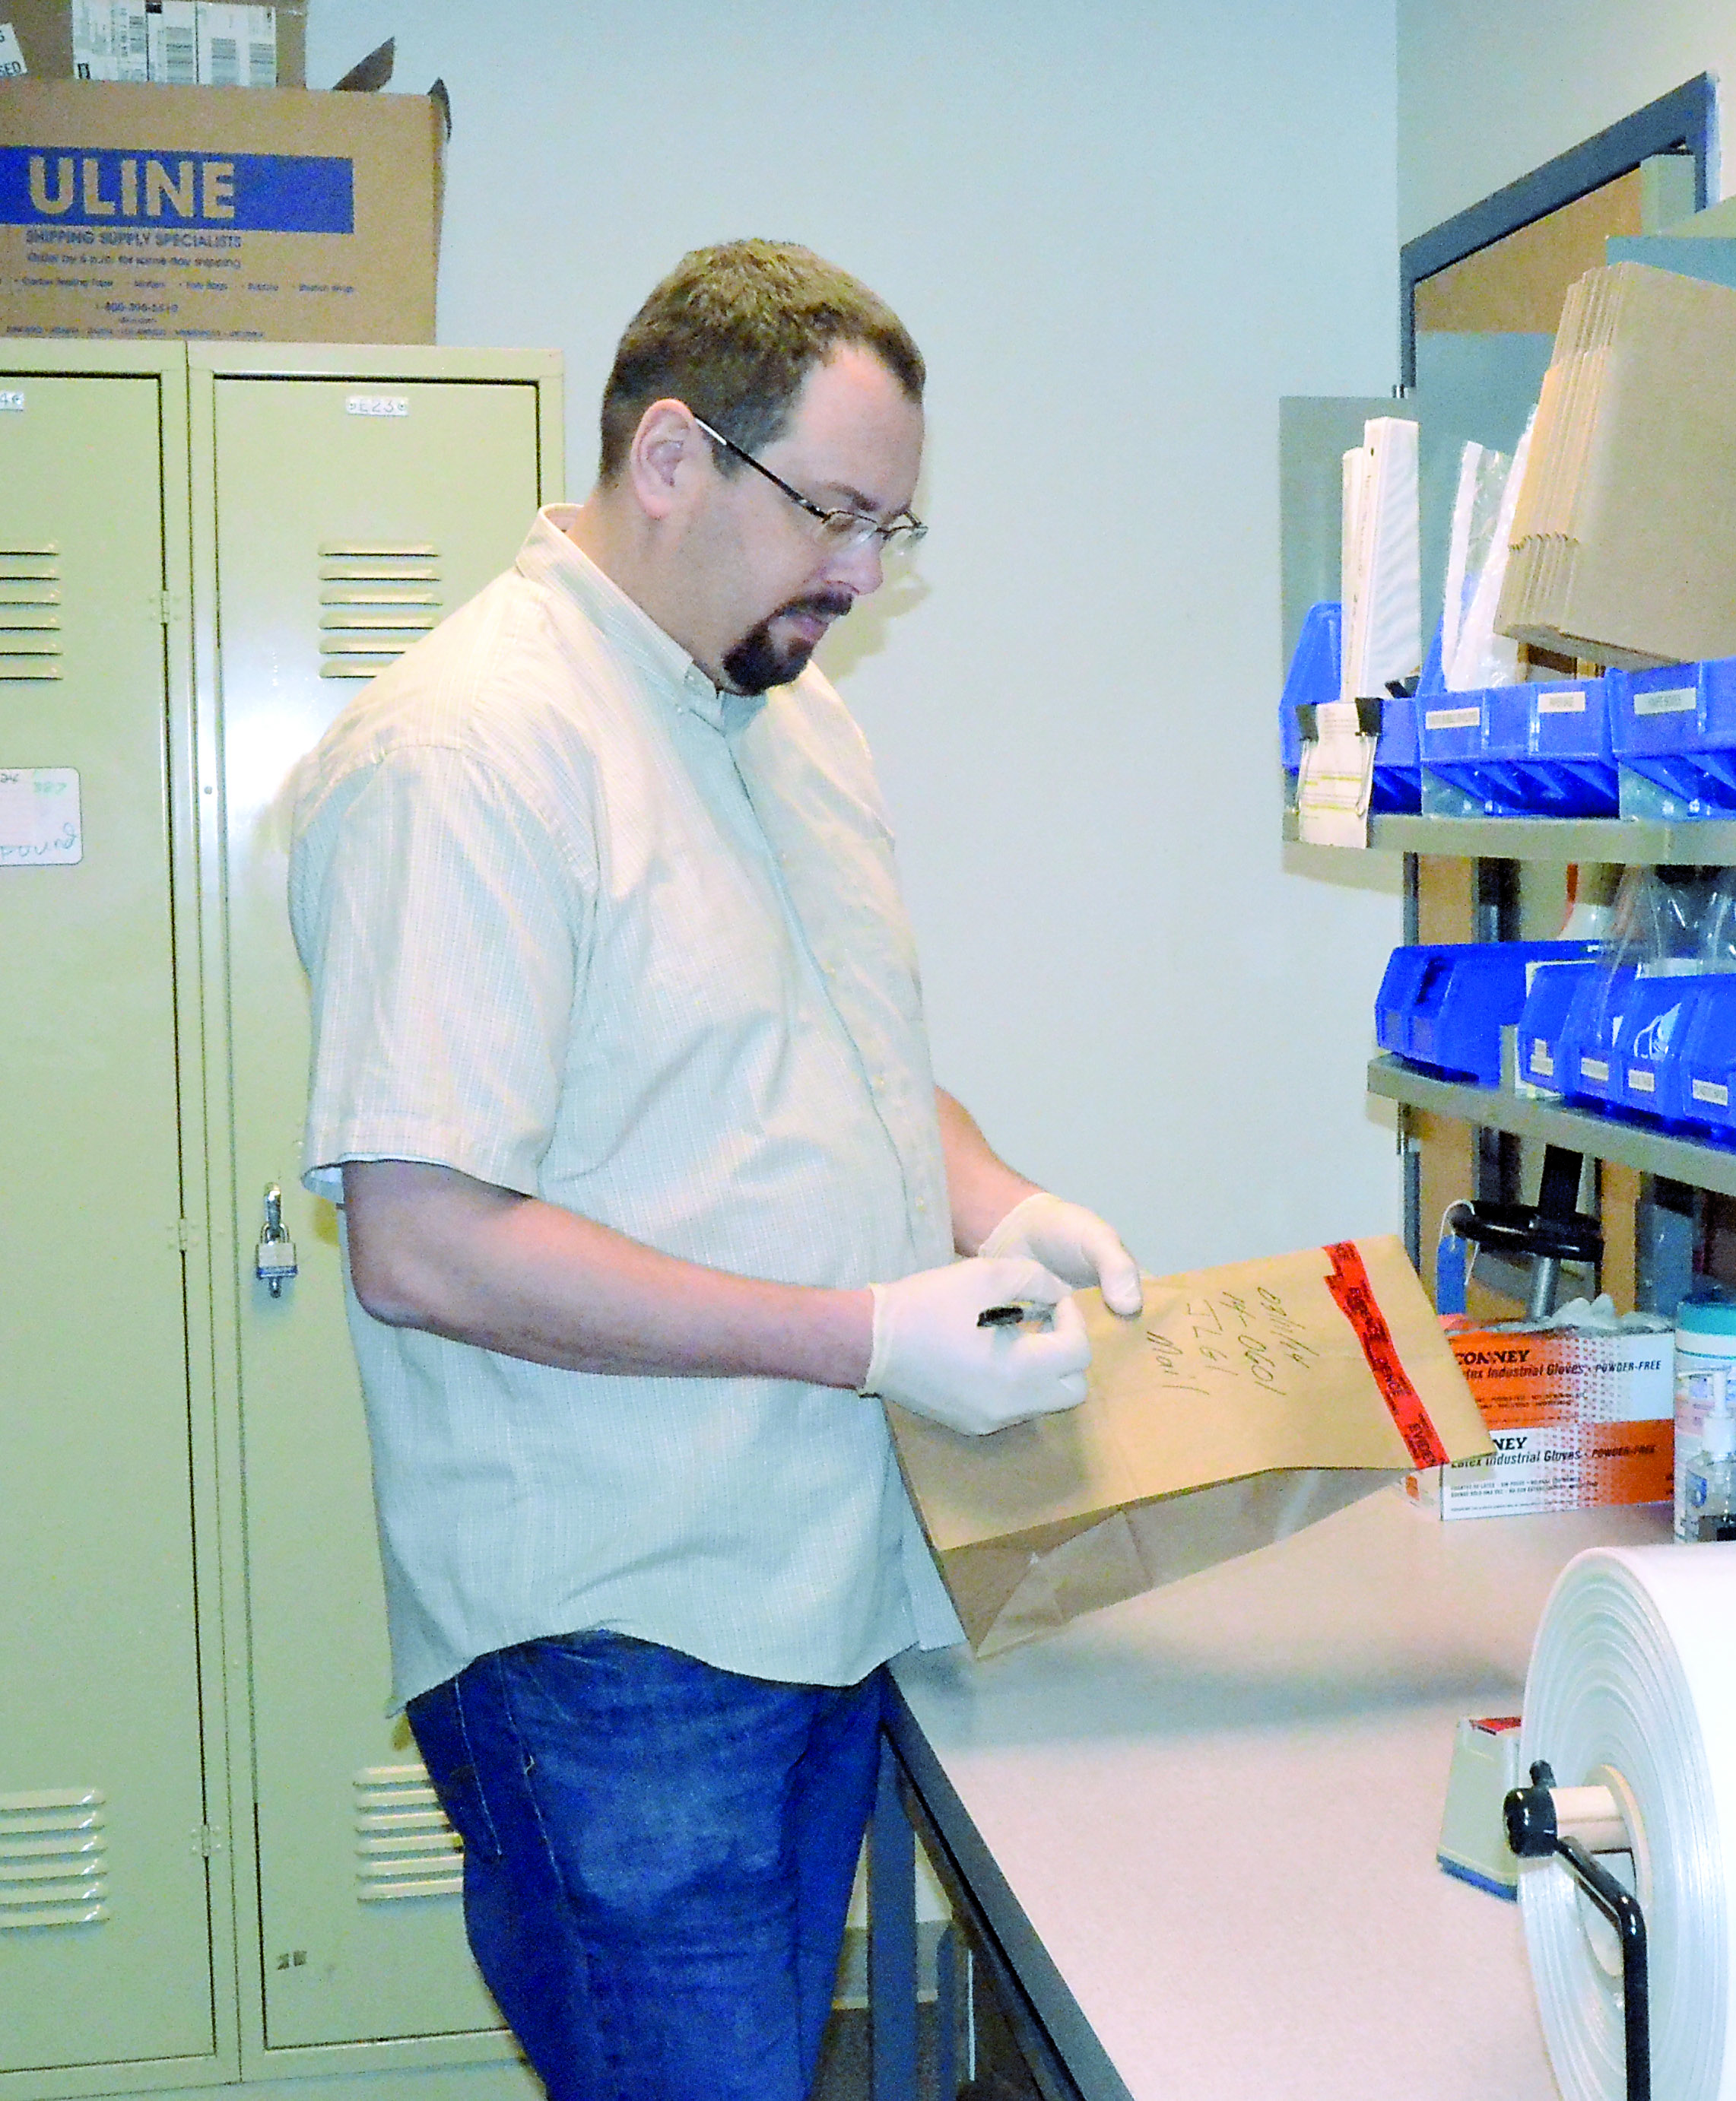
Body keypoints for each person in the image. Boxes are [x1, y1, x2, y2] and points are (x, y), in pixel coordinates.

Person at [285, 239, 1141, 2101]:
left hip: (818, 1581)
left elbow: (843, 1073)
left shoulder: (790, 721)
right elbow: (423, 1243)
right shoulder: (472, 752)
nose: (858, 572)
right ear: (669, 458)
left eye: (889, 530)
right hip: (616, 1641)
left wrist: (1003, 1205)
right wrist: (862, 1332)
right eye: (834, 512)